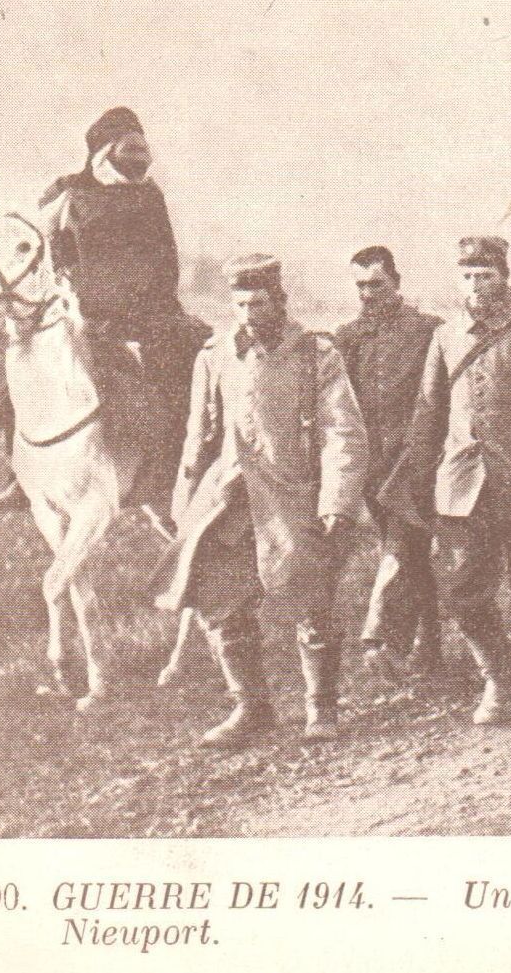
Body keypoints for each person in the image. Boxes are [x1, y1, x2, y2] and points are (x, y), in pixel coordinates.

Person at [153, 255, 368, 748]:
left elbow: (343, 431)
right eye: (241, 304)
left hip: (294, 495)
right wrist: (185, 502)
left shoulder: (315, 354)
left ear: (280, 302)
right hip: (229, 499)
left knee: (310, 597)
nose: (249, 315)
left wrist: (336, 500)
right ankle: (251, 707)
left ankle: (322, 708)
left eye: (259, 304)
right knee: (217, 597)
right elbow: (198, 435)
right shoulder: (214, 355)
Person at [0, 107, 210, 517]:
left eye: (142, 152)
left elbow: (166, 256)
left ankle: (172, 468)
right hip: (82, 309)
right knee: (17, 365)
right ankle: (22, 474)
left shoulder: (150, 195)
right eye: (129, 152)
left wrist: (157, 304)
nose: (138, 161)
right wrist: (64, 288)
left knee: (192, 361)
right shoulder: (68, 193)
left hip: (146, 312)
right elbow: (40, 247)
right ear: (104, 152)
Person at [383, 237, 511, 727]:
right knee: (463, 593)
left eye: (485, 275)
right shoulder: (446, 338)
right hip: (461, 486)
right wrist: (418, 482)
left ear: (504, 278)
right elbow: (428, 416)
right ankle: (499, 677)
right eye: (467, 276)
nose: (476, 286)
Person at [333, 246, 445, 682]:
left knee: (403, 546)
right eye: (360, 286)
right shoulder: (348, 338)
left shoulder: (428, 330)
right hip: (373, 468)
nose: (367, 294)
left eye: (376, 284)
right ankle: (429, 645)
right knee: (409, 553)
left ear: (396, 283)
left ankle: (383, 638)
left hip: (417, 461)